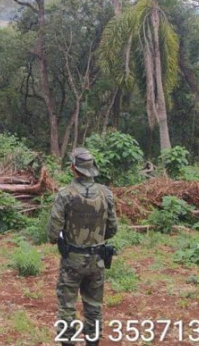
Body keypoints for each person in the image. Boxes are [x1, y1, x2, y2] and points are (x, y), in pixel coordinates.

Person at [47, 147, 118, 346]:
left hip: (72, 259)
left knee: (67, 308)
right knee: (94, 307)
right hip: (98, 260)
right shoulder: (106, 194)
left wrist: (67, 238)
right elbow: (112, 229)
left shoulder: (65, 194)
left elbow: (53, 232)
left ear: (73, 168)